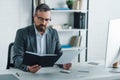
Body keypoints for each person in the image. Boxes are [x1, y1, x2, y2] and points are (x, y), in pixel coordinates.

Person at [13, 4, 72, 73]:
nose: (43, 23)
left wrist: (63, 64)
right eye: (40, 19)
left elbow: (59, 54)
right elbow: (17, 58)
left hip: (48, 72)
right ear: (34, 17)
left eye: (47, 20)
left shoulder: (54, 33)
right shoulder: (22, 33)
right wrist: (28, 68)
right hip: (29, 73)